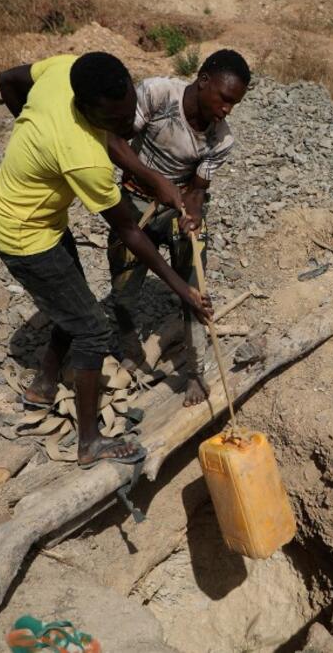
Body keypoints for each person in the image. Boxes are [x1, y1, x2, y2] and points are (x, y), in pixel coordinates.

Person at [0, 51, 212, 466]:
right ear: (89, 112)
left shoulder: (67, 70)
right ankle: (89, 443)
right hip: (23, 235)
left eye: (130, 115)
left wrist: (153, 177)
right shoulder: (82, 158)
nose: (128, 126)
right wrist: (184, 288)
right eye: (116, 121)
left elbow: (8, 78)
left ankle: (44, 385)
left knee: (72, 304)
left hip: (38, 217)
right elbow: (130, 232)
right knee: (91, 329)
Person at [107, 49, 250, 407]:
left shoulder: (221, 139)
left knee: (194, 290)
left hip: (178, 208)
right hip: (133, 200)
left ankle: (196, 372)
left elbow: (199, 189)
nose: (227, 109)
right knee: (123, 292)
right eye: (224, 99)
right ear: (203, 81)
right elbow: (115, 142)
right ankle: (131, 353)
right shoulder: (157, 94)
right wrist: (157, 182)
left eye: (235, 104)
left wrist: (194, 212)